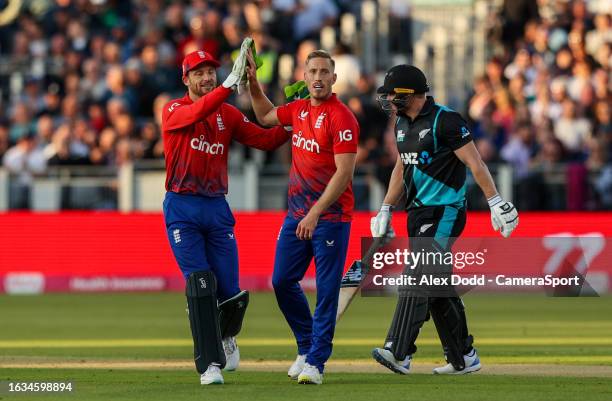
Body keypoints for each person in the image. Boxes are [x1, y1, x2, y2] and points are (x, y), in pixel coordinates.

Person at [369, 65, 519, 375]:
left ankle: (399, 351)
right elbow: (402, 167)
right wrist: (385, 207)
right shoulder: (400, 123)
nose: (389, 100)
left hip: (446, 211)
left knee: (417, 274)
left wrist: (495, 202)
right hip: (416, 213)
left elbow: (474, 162)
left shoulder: (446, 120)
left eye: (394, 94)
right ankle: (463, 356)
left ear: (411, 93)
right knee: (436, 284)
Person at [161, 39, 290, 385]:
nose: (207, 78)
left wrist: (298, 120)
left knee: (231, 293)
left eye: (211, 72)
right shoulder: (173, 109)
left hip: (217, 208)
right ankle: (209, 366)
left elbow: (265, 140)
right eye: (199, 73)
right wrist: (230, 86)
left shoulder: (228, 114)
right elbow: (195, 112)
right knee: (201, 283)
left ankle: (225, 334)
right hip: (182, 207)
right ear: (185, 79)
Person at [246, 49, 359, 384]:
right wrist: (253, 82)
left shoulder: (343, 118)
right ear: (305, 76)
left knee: (326, 292)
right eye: (313, 71)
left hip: (331, 218)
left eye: (325, 71)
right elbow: (266, 115)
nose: (319, 77)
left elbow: (344, 174)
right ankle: (306, 344)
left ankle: (316, 363)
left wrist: (315, 213)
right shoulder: (297, 110)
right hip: (297, 215)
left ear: (334, 78)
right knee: (281, 280)